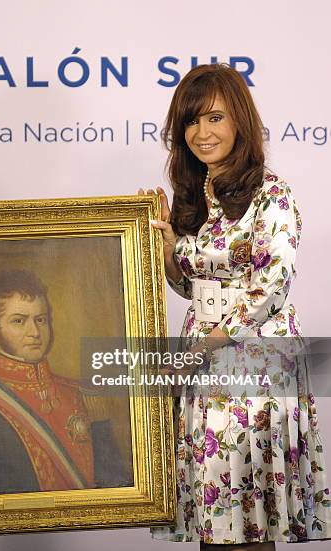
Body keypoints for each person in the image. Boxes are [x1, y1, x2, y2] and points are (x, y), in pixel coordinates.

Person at [144, 64, 331, 549]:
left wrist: (208, 345)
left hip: (253, 358)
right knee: (214, 512)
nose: (201, 133)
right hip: (201, 357)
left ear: (240, 123)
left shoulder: (272, 193)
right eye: (191, 122)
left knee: (248, 513)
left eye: (214, 119)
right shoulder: (196, 193)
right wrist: (167, 247)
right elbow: (191, 288)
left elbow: (271, 284)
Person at [0, 269, 130, 498]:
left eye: (40, 320)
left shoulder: (83, 396)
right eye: (19, 321)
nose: (34, 332)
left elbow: (116, 484)